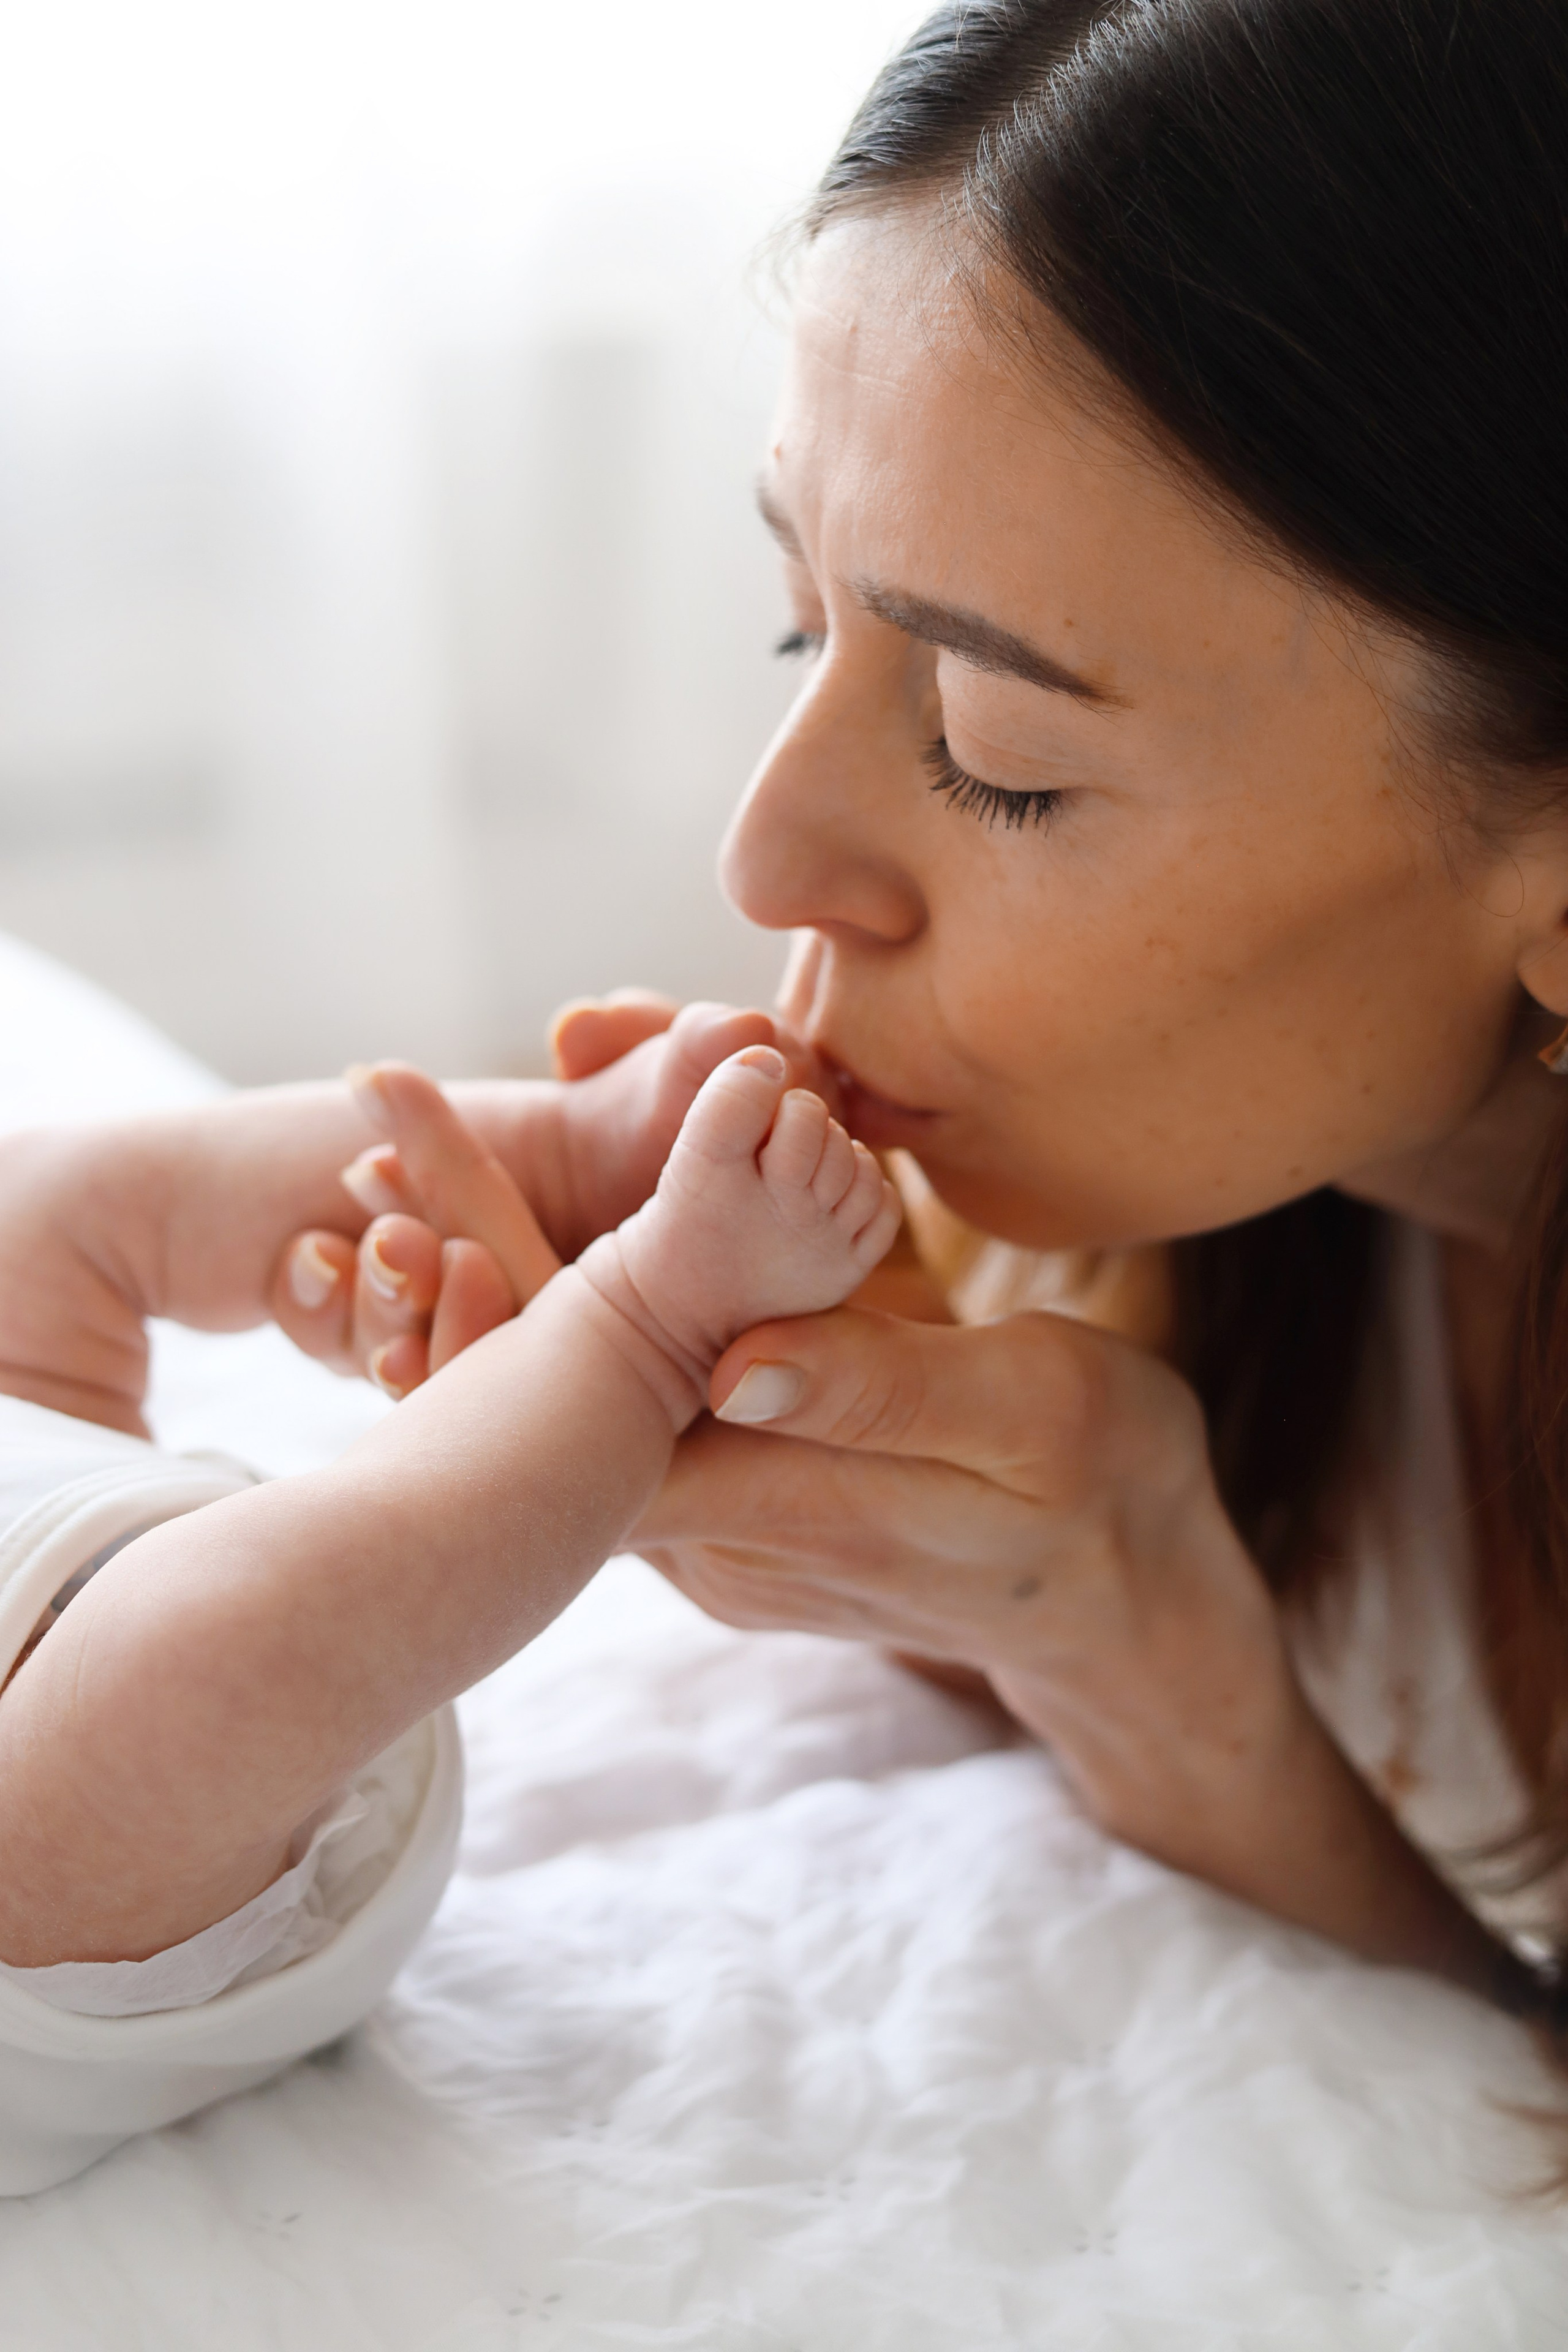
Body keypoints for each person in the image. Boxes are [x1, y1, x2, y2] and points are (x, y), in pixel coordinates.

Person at [273, 0, 1568, 2117]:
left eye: (1001, 764)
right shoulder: (1215, 1213)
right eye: (804, 624)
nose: (763, 850)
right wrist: (968, 1547)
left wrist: (1165, 1670)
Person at [0, 1010, 897, 2192]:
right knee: (202, 1675)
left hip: (39, 1471)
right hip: (67, 1862)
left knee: (40, 1206)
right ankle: (649, 1324)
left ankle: (562, 1156)